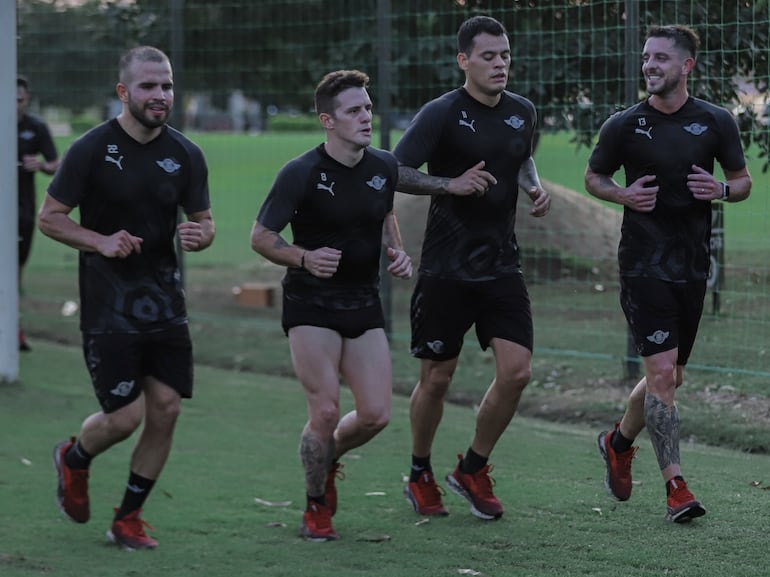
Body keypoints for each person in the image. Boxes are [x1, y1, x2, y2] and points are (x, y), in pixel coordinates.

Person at [40, 46, 215, 550]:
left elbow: (204, 221)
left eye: (166, 85)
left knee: (166, 408)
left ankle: (129, 518)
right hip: (107, 304)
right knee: (124, 417)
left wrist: (200, 235)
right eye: (148, 86)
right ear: (124, 92)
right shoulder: (91, 150)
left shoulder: (185, 153)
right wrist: (100, 241)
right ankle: (74, 458)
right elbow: (50, 217)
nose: (160, 95)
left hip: (164, 302)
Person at [585, 25, 751, 523]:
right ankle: (676, 486)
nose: (649, 65)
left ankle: (617, 442)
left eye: (660, 58)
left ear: (687, 66)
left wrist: (720, 191)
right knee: (661, 375)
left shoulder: (717, 121)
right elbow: (596, 176)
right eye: (646, 57)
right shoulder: (623, 125)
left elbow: (742, 182)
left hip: (692, 265)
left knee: (670, 376)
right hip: (642, 264)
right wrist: (622, 195)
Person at [393, 15, 551, 520]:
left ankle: (472, 468)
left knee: (517, 371)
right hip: (446, 268)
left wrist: (533, 185)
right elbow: (394, 171)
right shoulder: (440, 113)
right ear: (464, 60)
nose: (500, 63)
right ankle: (419, 471)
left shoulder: (523, 111)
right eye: (489, 56)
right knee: (437, 379)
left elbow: (519, 158)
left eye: (505, 54)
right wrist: (449, 184)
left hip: (501, 265)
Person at [250, 69, 412, 541]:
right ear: (328, 120)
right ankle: (315, 506)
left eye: (367, 106)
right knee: (323, 411)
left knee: (376, 414)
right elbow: (260, 237)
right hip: (311, 303)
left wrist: (395, 251)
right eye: (354, 110)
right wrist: (302, 257)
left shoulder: (383, 166)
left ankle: (327, 457)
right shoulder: (300, 172)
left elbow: (385, 213)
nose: (366, 116)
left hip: (362, 303)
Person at [17, 75, 60, 351]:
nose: (15, 105)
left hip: (23, 210)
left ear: (27, 98)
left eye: (19, 99)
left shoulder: (36, 127)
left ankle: (14, 330)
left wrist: (41, 166)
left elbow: (56, 164)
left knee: (15, 272)